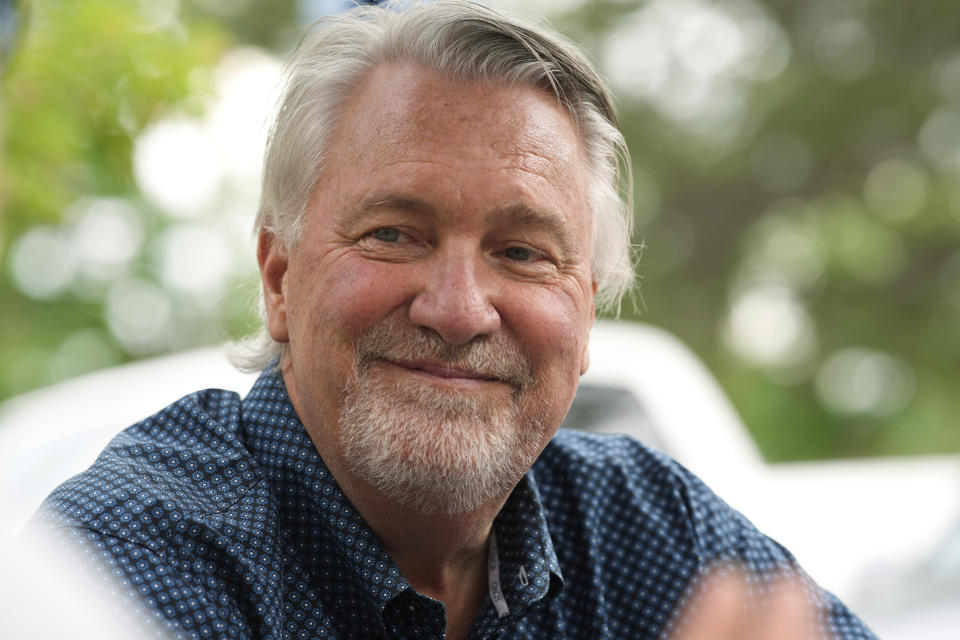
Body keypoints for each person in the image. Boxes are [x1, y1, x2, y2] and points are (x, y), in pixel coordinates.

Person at [30, 2, 877, 639]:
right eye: (395, 234)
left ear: (584, 317)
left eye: (522, 252)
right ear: (279, 278)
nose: (460, 310)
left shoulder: (645, 527)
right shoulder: (128, 557)